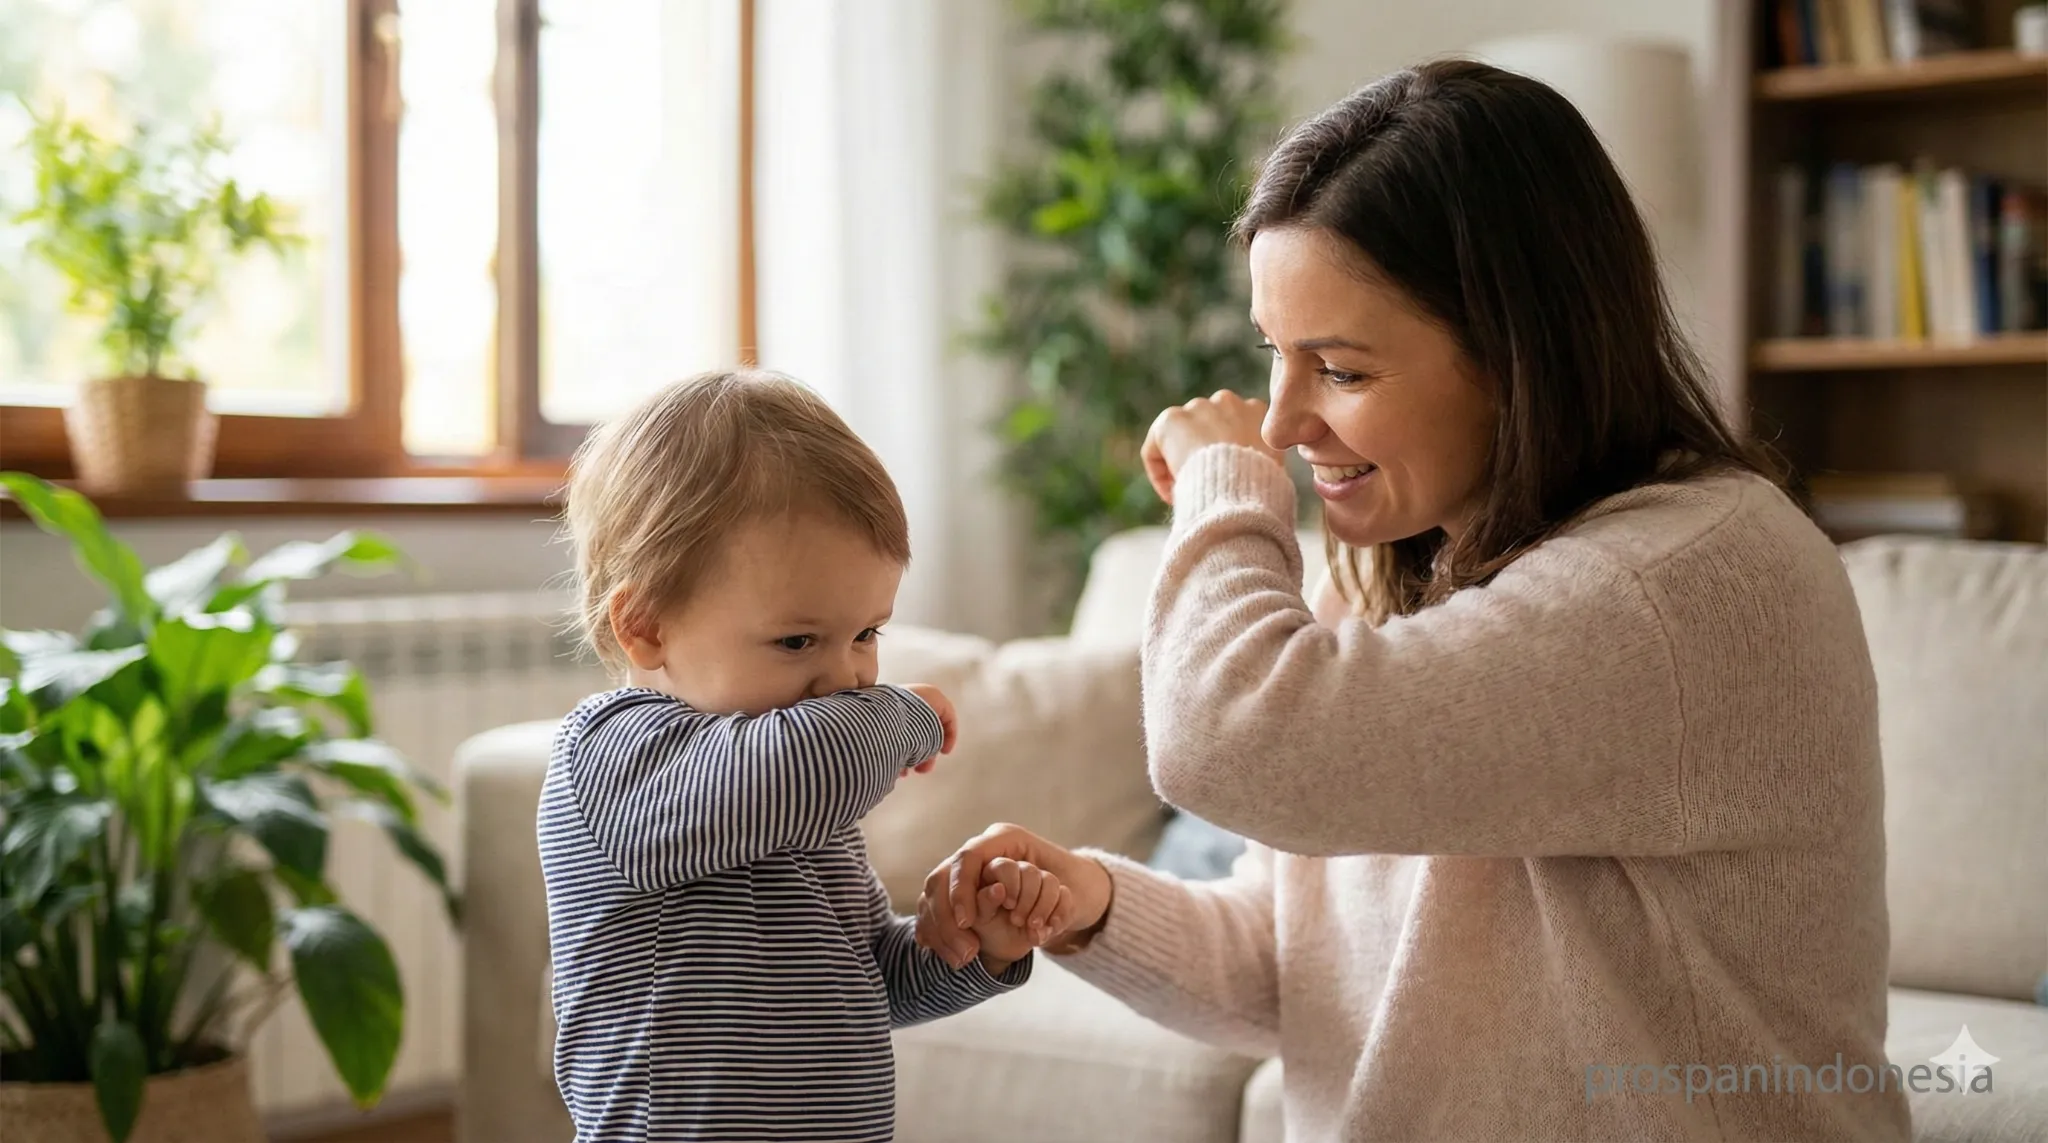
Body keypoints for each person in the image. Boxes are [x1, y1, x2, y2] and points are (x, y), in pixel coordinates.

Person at [916, 60, 1910, 1142]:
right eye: (1272, 357)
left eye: (1338, 370)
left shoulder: (1679, 583)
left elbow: (1232, 743)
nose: (1283, 424)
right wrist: (1091, 907)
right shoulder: (1400, 570)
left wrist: (1223, 486)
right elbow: (1300, 972)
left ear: (1515, 354)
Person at [540, 370, 1075, 1141]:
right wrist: (904, 714)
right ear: (647, 625)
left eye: (867, 634)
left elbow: (870, 984)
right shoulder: (614, 758)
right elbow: (802, 760)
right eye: (798, 640)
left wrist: (973, 948)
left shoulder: (805, 808)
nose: (848, 678)